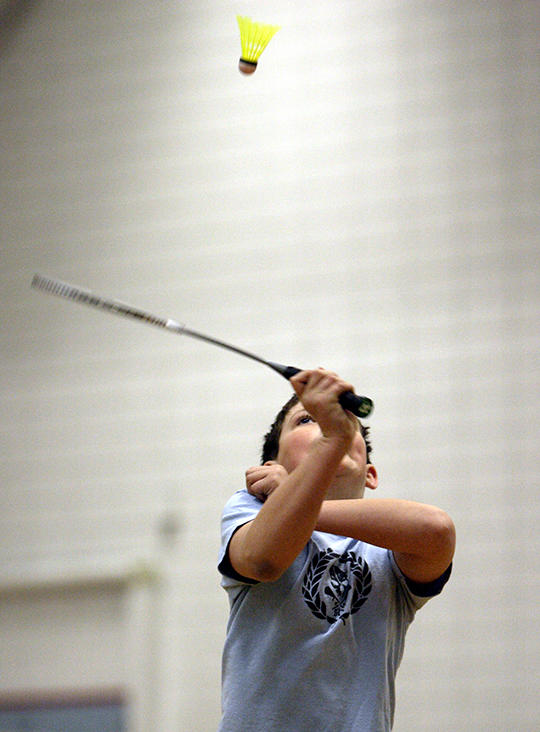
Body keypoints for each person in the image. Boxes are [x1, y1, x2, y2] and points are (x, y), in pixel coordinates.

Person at [217, 368, 455, 731]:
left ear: (370, 474)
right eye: (307, 419)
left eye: (345, 426)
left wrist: (298, 501)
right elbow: (263, 561)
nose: (329, 428)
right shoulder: (252, 509)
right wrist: (330, 446)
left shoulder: (388, 550)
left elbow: (436, 530)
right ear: (270, 468)